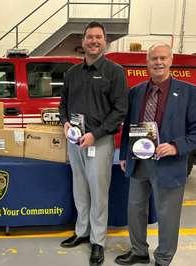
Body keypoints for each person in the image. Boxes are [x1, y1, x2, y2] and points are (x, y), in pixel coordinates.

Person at [115, 43, 196, 266]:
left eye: (162, 58)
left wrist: (176, 146)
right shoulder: (136, 92)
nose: (158, 62)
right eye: (153, 59)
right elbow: (129, 127)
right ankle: (139, 250)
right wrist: (124, 154)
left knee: (168, 216)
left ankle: (163, 258)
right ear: (147, 62)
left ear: (171, 61)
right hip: (139, 160)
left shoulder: (189, 92)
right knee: (135, 208)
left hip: (169, 163)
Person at [59, 21, 128, 265]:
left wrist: (95, 135)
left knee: (99, 193)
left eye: (98, 37)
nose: (94, 41)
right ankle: (82, 232)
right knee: (80, 188)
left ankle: (98, 240)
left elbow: (120, 111)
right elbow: (63, 104)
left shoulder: (115, 72)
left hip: (98, 142)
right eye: (90, 37)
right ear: (83, 41)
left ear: (105, 41)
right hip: (75, 141)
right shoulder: (72, 74)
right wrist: (65, 122)